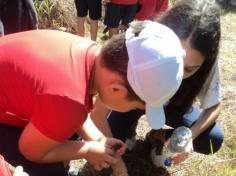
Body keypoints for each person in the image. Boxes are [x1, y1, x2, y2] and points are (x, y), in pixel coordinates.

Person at [0, 21, 184, 176]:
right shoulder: (68, 101)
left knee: (64, 130)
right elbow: (31, 151)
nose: (134, 110)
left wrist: (98, 140)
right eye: (136, 106)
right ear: (116, 89)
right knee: (50, 170)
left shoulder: (88, 53)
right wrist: (86, 150)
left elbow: (68, 109)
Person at [90, 0, 223, 175]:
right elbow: (97, 113)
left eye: (190, 69)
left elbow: (215, 104)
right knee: (112, 142)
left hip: (173, 109)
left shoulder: (208, 64)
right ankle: (128, 127)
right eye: (173, 59)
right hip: (132, 104)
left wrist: (191, 134)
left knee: (212, 139)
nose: (179, 73)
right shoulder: (145, 47)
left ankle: (158, 136)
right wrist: (118, 163)